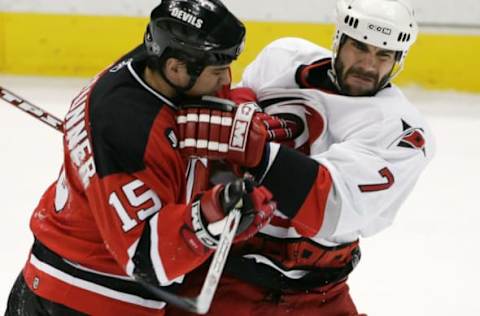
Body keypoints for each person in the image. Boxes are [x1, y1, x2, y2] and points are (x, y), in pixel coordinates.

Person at [4, 1, 279, 315]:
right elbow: (146, 258)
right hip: (85, 298)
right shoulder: (126, 129)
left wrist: (238, 121)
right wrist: (213, 215)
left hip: (66, 269)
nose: (225, 80)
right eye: (218, 71)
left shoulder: (153, 65)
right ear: (176, 68)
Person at [167, 0, 435, 315]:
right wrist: (246, 111)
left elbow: (330, 204)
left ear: (398, 60)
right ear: (339, 40)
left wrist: (256, 150)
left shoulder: (402, 131)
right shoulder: (285, 56)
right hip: (231, 269)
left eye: (383, 55)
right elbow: (242, 91)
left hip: (318, 294)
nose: (368, 65)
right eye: (360, 47)